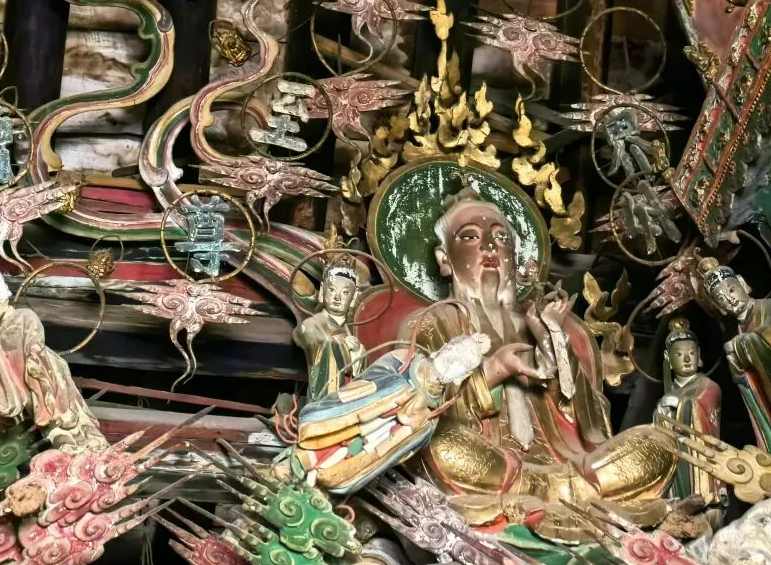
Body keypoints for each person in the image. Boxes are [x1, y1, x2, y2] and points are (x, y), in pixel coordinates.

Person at [402, 188, 676, 514]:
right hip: (489, 462)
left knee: (660, 443)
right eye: (471, 237)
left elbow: (587, 418)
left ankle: (554, 488)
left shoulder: (546, 321)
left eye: (501, 237)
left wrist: (551, 337)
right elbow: (414, 407)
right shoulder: (429, 323)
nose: (490, 246)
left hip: (566, 462)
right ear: (444, 259)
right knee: (436, 443)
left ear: (515, 256)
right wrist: (494, 372)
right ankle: (552, 490)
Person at [0, 267, 107, 452]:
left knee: (64, 409)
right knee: (47, 422)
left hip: (41, 370)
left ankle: (89, 439)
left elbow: (34, 341)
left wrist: (32, 357)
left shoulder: (24, 315)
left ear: (6, 288)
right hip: (17, 379)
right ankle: (64, 441)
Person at [700, 256, 771, 458]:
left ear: (743, 284)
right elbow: (739, 375)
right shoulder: (736, 331)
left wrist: (739, 346)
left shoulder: (769, 306)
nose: (730, 299)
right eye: (721, 299)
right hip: (764, 405)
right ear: (720, 307)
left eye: (731, 290)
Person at [654, 318, 723, 523]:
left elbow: (705, 410)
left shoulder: (708, 386)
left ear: (699, 356)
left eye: (691, 353)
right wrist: (661, 414)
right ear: (667, 357)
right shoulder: (666, 397)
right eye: (679, 354)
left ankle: (707, 501)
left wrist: (682, 404)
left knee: (709, 515)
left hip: (702, 464)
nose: (686, 359)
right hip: (677, 465)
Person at [294, 255, 368, 403]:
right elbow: (310, 338)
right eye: (332, 290)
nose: (337, 297)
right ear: (322, 292)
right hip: (323, 401)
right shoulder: (311, 324)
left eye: (345, 292)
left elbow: (361, 373)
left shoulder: (348, 329)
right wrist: (344, 346)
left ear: (354, 298)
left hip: (346, 400)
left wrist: (357, 351)